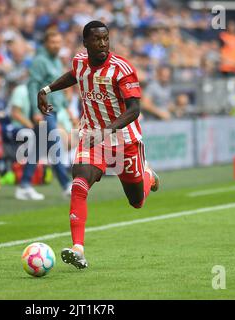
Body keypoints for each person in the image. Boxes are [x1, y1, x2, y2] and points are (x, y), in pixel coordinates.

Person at [35, 21, 160, 269]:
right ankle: (78, 248)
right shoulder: (80, 62)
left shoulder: (122, 69)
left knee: (136, 202)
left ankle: (149, 177)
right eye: (96, 39)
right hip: (92, 138)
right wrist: (47, 89)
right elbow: (75, 74)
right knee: (79, 184)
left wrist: (106, 131)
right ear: (86, 43)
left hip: (125, 141)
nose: (102, 43)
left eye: (105, 38)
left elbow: (135, 109)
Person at [15, 28, 71, 201]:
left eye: (59, 42)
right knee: (54, 145)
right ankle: (66, 184)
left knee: (37, 149)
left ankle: (24, 185)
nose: (56, 45)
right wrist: (35, 109)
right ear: (46, 44)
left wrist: (66, 107)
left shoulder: (55, 61)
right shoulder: (40, 61)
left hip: (54, 109)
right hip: (44, 109)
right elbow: (33, 86)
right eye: (53, 42)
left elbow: (57, 88)